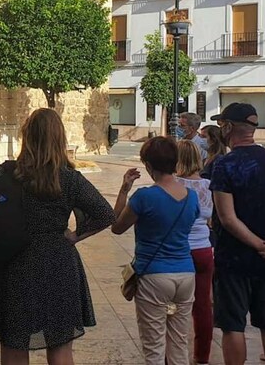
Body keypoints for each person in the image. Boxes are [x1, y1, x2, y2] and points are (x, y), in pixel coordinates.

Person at [0, 108, 115, 365]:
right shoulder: (70, 179)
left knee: (14, 345)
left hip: (14, 262)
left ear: (27, 136)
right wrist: (74, 236)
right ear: (59, 138)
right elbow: (105, 213)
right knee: (60, 349)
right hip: (57, 264)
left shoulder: (8, 174)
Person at [208, 103, 265, 365]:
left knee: (233, 325)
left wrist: (259, 245)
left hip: (234, 258)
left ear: (227, 127)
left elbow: (227, 217)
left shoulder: (225, 165)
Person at [111, 137, 199, 365]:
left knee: (154, 348)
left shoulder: (144, 197)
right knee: (179, 344)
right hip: (186, 273)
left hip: (154, 275)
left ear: (149, 166)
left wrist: (124, 190)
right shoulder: (192, 197)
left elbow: (117, 227)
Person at [176, 139, 214, 365]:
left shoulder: (174, 184)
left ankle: (174, 354)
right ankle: (202, 356)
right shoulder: (208, 185)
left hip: (179, 250)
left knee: (176, 307)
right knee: (202, 306)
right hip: (203, 248)